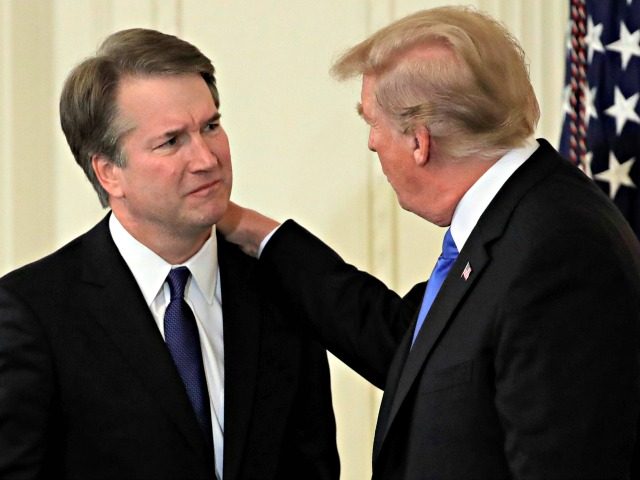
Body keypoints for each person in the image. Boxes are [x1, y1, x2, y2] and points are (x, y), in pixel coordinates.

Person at [218, 6, 640, 479]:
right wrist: (255, 232)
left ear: (420, 141)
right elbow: (416, 345)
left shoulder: (557, 253)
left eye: (371, 121)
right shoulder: (517, 218)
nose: (373, 143)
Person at [0, 28, 339, 480]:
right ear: (108, 172)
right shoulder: (32, 311)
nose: (206, 158)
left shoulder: (277, 288)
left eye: (211, 127)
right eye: (171, 141)